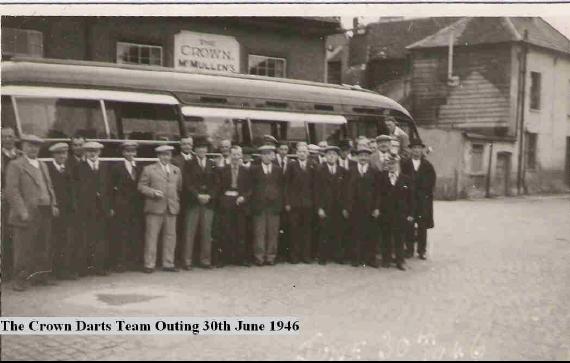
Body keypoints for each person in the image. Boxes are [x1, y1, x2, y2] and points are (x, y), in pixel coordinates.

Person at [6, 135, 58, 291]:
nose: (33, 148)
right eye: (30, 145)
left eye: (36, 146)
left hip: (44, 210)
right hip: (27, 212)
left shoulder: (42, 165)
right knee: (23, 248)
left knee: (43, 245)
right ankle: (20, 280)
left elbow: (49, 186)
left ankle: (39, 276)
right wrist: (22, 211)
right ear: (23, 146)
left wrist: (53, 204)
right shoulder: (15, 165)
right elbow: (12, 191)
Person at [138, 145, 182, 273]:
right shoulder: (149, 169)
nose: (165, 157)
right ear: (158, 156)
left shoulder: (176, 170)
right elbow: (141, 186)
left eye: (168, 154)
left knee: (170, 236)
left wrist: (175, 201)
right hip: (154, 207)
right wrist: (152, 192)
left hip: (171, 207)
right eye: (162, 155)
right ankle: (149, 264)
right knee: (152, 236)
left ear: (171, 156)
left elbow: (179, 188)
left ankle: (168, 263)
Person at [74, 141, 114, 276]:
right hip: (86, 208)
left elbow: (109, 189)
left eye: (95, 151)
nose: (93, 153)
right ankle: (83, 268)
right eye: (90, 151)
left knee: (101, 238)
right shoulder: (79, 167)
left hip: (102, 208)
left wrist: (110, 207)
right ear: (85, 152)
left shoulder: (104, 167)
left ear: (99, 152)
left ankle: (99, 267)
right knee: (85, 238)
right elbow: (77, 190)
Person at [183, 138, 218, 269]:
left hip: (208, 203)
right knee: (190, 232)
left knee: (206, 233)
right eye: (199, 148)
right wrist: (197, 195)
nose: (202, 150)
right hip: (193, 202)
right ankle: (187, 261)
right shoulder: (188, 163)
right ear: (195, 150)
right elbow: (187, 183)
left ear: (207, 150)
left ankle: (205, 261)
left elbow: (216, 183)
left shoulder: (212, 164)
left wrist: (210, 195)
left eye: (204, 148)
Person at [110, 141, 144, 272]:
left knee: (135, 233)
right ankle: (121, 262)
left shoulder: (140, 167)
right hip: (122, 205)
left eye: (133, 151)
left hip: (137, 206)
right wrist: (114, 205)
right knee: (122, 234)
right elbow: (111, 188)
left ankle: (134, 261)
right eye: (127, 151)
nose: (130, 154)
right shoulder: (116, 168)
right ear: (123, 152)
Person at [377, 154, 415, 271]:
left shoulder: (406, 179)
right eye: (389, 163)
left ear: (398, 164)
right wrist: (377, 208)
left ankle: (400, 261)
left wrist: (411, 214)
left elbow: (411, 198)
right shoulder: (382, 178)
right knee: (386, 237)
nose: (391, 166)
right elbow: (377, 195)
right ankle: (386, 259)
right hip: (386, 212)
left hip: (401, 214)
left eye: (394, 163)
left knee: (399, 238)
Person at [345, 147, 381, 267]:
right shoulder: (351, 170)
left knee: (370, 233)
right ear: (357, 157)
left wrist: (376, 207)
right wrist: (346, 207)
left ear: (369, 157)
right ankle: (356, 258)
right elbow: (345, 191)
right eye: (361, 156)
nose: (363, 158)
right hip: (354, 207)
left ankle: (370, 258)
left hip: (369, 208)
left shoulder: (374, 171)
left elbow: (378, 191)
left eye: (366, 156)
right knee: (355, 233)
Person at [217, 146, 252, 266]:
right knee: (226, 230)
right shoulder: (223, 170)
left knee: (241, 231)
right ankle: (225, 259)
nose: (236, 157)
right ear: (230, 155)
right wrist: (223, 199)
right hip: (226, 201)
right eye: (234, 155)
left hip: (240, 202)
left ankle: (240, 259)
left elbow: (250, 188)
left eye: (238, 155)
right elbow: (219, 188)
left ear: (241, 156)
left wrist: (244, 197)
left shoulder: (246, 170)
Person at [46, 142, 77, 280]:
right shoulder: (48, 168)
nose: (62, 156)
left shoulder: (69, 169)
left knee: (67, 241)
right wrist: (53, 205)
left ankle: (65, 270)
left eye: (64, 153)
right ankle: (53, 271)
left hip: (68, 211)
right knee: (54, 241)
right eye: (59, 153)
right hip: (55, 210)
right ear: (53, 155)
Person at [401, 139, 436, 260]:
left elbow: (431, 183)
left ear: (422, 150)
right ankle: (409, 250)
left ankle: (422, 251)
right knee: (408, 225)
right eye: (414, 148)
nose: (416, 150)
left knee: (422, 226)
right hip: (408, 200)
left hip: (422, 201)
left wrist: (422, 193)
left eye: (419, 148)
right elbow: (401, 180)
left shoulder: (427, 166)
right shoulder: (405, 164)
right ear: (410, 150)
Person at [250, 145, 284, 266]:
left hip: (273, 206)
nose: (266, 156)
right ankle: (259, 257)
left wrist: (279, 204)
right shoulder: (254, 170)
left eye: (269, 154)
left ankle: (271, 257)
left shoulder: (278, 170)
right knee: (259, 232)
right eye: (264, 154)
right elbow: (251, 188)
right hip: (259, 205)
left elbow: (281, 188)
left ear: (273, 155)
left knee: (273, 232)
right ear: (260, 156)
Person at [315, 146, 348, 265]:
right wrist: (319, 207)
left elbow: (346, 191)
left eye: (334, 154)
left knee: (339, 231)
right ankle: (323, 256)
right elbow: (316, 190)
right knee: (324, 231)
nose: (331, 156)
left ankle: (338, 256)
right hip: (325, 206)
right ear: (325, 156)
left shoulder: (342, 171)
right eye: (329, 154)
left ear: (337, 156)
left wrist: (345, 207)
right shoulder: (320, 170)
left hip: (338, 207)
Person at [284, 142, 316, 264]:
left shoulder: (312, 165)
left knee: (307, 231)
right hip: (294, 204)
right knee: (294, 231)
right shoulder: (291, 166)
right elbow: (286, 185)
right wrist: (287, 202)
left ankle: (306, 256)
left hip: (308, 204)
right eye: (300, 152)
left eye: (304, 152)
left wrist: (314, 202)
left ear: (307, 153)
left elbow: (314, 186)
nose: (302, 154)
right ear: (296, 153)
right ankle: (294, 256)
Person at [1, 127, 21, 279]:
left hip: (20, 202)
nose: (8, 139)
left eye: (10, 136)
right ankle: (6, 270)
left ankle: (18, 270)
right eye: (4, 136)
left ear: (15, 138)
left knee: (19, 236)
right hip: (3, 203)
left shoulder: (21, 156)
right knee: (4, 236)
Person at [171, 136, 194, 267]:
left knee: (190, 229)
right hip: (181, 196)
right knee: (179, 228)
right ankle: (179, 258)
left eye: (189, 144)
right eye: (184, 144)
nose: (187, 146)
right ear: (180, 146)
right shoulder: (175, 160)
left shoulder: (197, 158)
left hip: (193, 198)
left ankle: (190, 258)